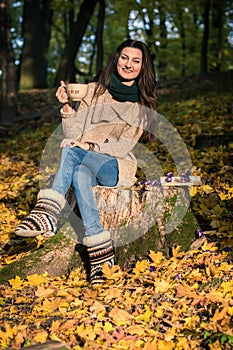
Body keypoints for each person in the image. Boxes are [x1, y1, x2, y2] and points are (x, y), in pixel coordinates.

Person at [15, 39, 158, 285]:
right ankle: (101, 254)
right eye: (125, 58)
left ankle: (49, 210)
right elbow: (72, 135)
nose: (128, 64)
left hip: (115, 166)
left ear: (143, 67)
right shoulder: (93, 91)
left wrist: (91, 146)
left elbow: (123, 146)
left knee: (73, 153)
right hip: (82, 158)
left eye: (136, 61)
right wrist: (67, 108)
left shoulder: (139, 106)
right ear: (116, 59)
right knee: (79, 170)